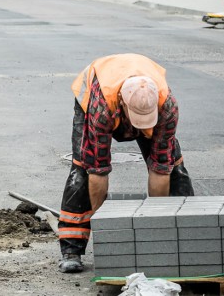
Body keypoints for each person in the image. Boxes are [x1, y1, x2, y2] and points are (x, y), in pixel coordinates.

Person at [58, 53, 194, 273]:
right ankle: (72, 248)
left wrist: (157, 227)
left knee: (173, 167)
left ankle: (187, 238)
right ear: (122, 102)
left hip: (148, 108)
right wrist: (105, 228)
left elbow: (160, 169)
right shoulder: (101, 107)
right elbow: (98, 171)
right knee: (83, 168)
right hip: (96, 102)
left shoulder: (167, 107)